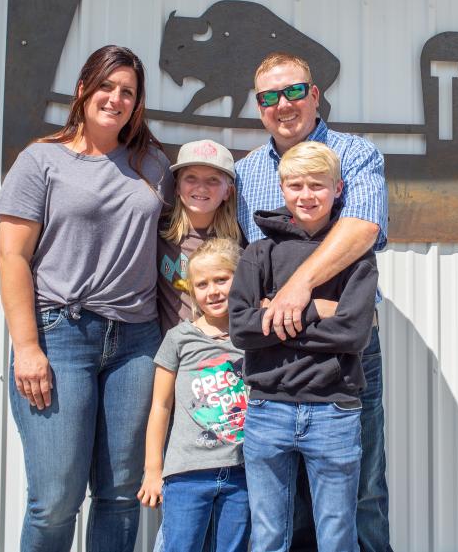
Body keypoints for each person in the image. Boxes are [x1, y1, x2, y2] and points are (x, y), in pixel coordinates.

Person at [0, 45, 174, 552]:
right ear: (82, 89)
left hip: (138, 344)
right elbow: (12, 258)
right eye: (105, 87)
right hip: (61, 336)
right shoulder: (41, 160)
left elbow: (183, 241)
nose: (115, 99)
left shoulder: (153, 166)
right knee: (54, 501)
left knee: (119, 496)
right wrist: (27, 348)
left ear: (137, 105)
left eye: (128, 93)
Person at [236, 52, 391, 552]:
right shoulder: (244, 173)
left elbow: (363, 227)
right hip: (273, 357)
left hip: (345, 353)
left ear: (316, 94)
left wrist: (296, 288)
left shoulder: (355, 154)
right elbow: (244, 263)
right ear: (259, 108)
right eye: (269, 97)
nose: (283, 104)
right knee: (284, 507)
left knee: (360, 492)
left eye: (294, 91)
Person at [138, 238, 250, 552]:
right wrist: (153, 470)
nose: (212, 291)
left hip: (241, 472)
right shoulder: (179, 339)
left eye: (222, 280)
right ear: (192, 292)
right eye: (202, 284)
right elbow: (160, 406)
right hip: (187, 474)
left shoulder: (252, 337)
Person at [157, 138, 242, 333]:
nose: (201, 187)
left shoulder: (237, 242)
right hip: (174, 353)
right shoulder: (159, 234)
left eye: (213, 179)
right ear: (177, 187)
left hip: (225, 352)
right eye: (191, 178)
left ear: (228, 191)